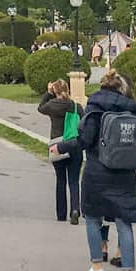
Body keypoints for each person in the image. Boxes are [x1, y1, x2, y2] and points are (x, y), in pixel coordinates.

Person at [62, 71, 136, 271]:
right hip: (125, 173)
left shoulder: (94, 108)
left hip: (97, 170)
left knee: (92, 219)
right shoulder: (133, 110)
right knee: (124, 223)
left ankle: (97, 267)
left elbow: (85, 140)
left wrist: (62, 146)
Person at [38, 77, 82, 224]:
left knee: (60, 180)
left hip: (57, 145)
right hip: (74, 145)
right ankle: (75, 208)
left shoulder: (51, 105)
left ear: (54, 91)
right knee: (74, 180)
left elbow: (40, 107)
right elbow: (83, 123)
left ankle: (61, 214)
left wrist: (48, 93)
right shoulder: (75, 106)